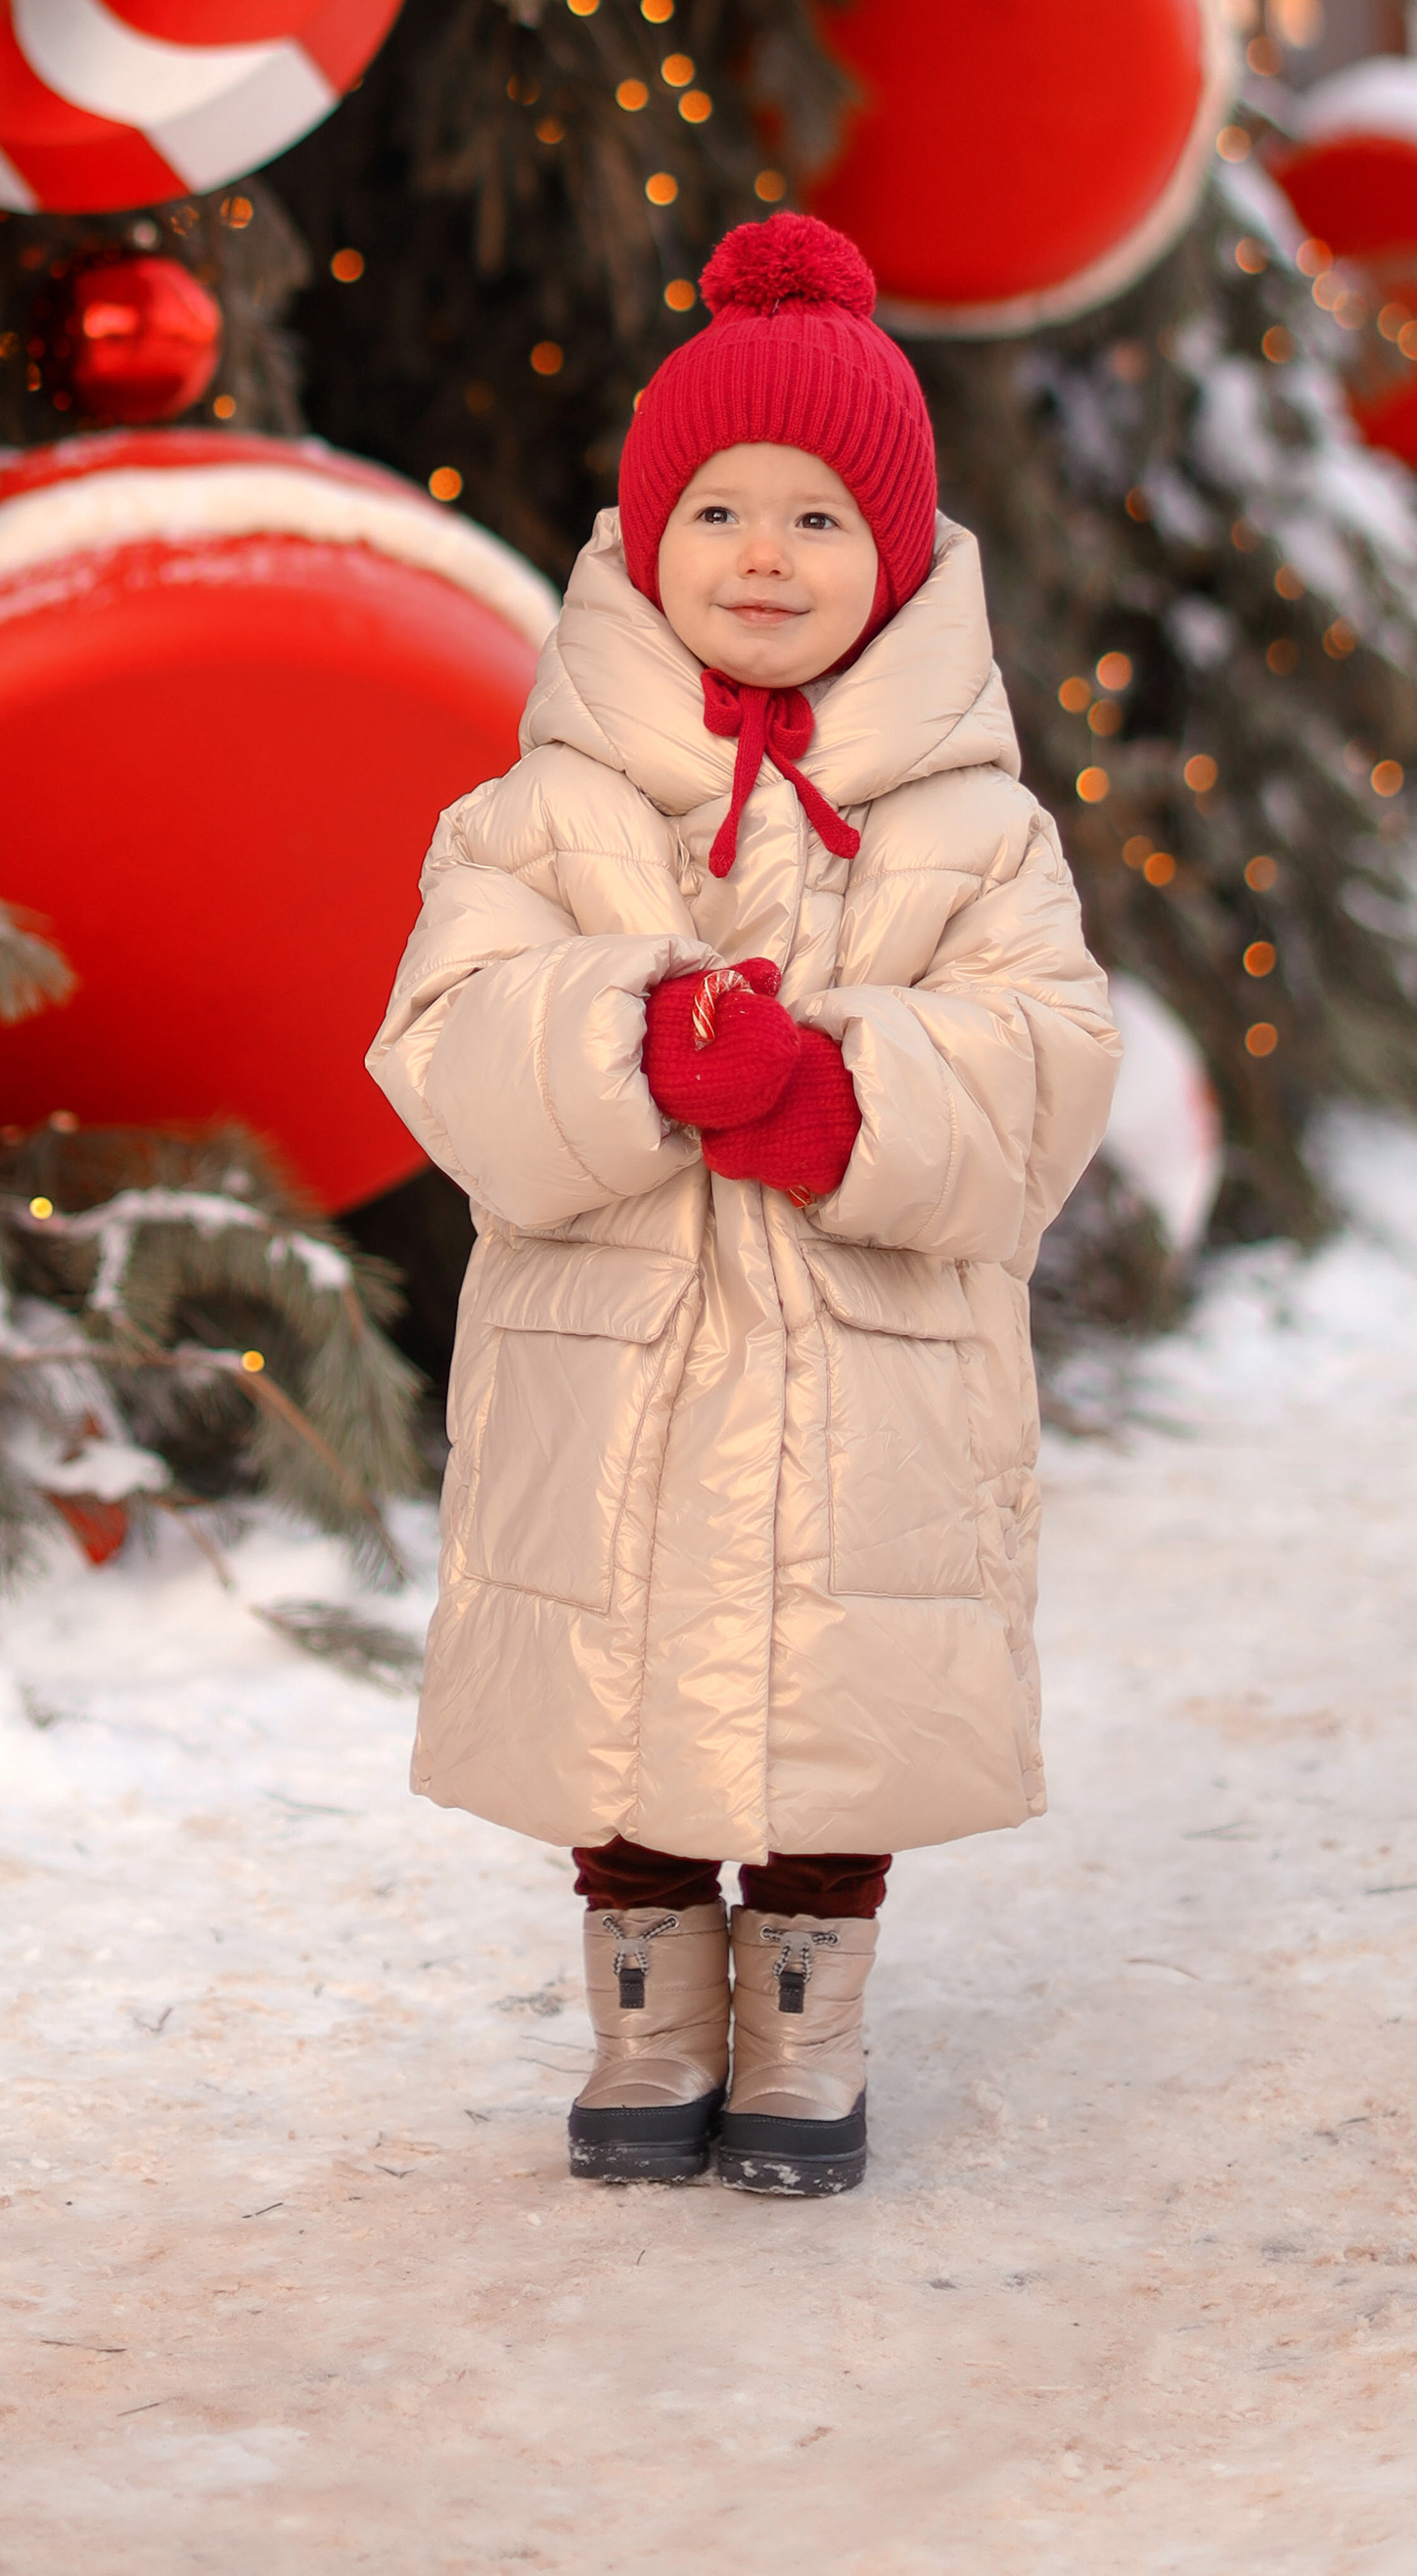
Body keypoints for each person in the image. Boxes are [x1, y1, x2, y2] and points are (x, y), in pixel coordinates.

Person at [368, 213, 1118, 2196]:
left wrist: (836, 1085)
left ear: (893, 562)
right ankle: (641, 2017)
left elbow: (1045, 1066)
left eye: (813, 517)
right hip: (607, 1348)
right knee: (618, 1673)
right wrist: (626, 1041)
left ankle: (803, 2030)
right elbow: (440, 1038)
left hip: (865, 1366)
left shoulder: (973, 829)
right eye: (716, 510)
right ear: (642, 536)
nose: (763, 556)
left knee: (824, 1682)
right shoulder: (538, 809)